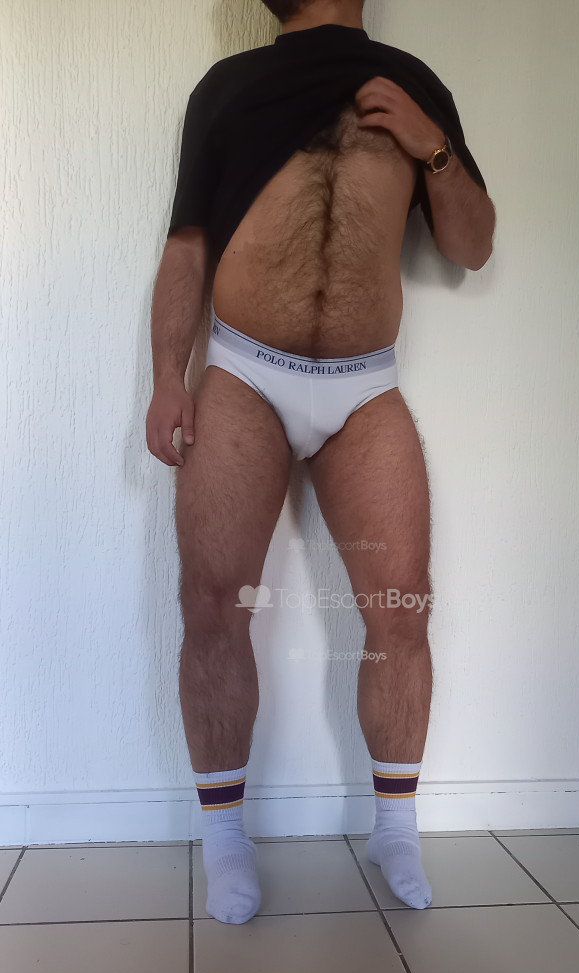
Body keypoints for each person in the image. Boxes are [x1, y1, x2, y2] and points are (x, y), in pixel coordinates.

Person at [147, 0, 495, 924]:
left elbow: (470, 246)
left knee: (402, 608)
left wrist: (431, 149)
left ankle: (395, 829)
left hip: (364, 388)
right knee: (211, 605)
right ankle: (226, 840)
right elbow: (187, 245)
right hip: (242, 376)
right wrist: (167, 378)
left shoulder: (414, 86)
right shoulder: (227, 88)